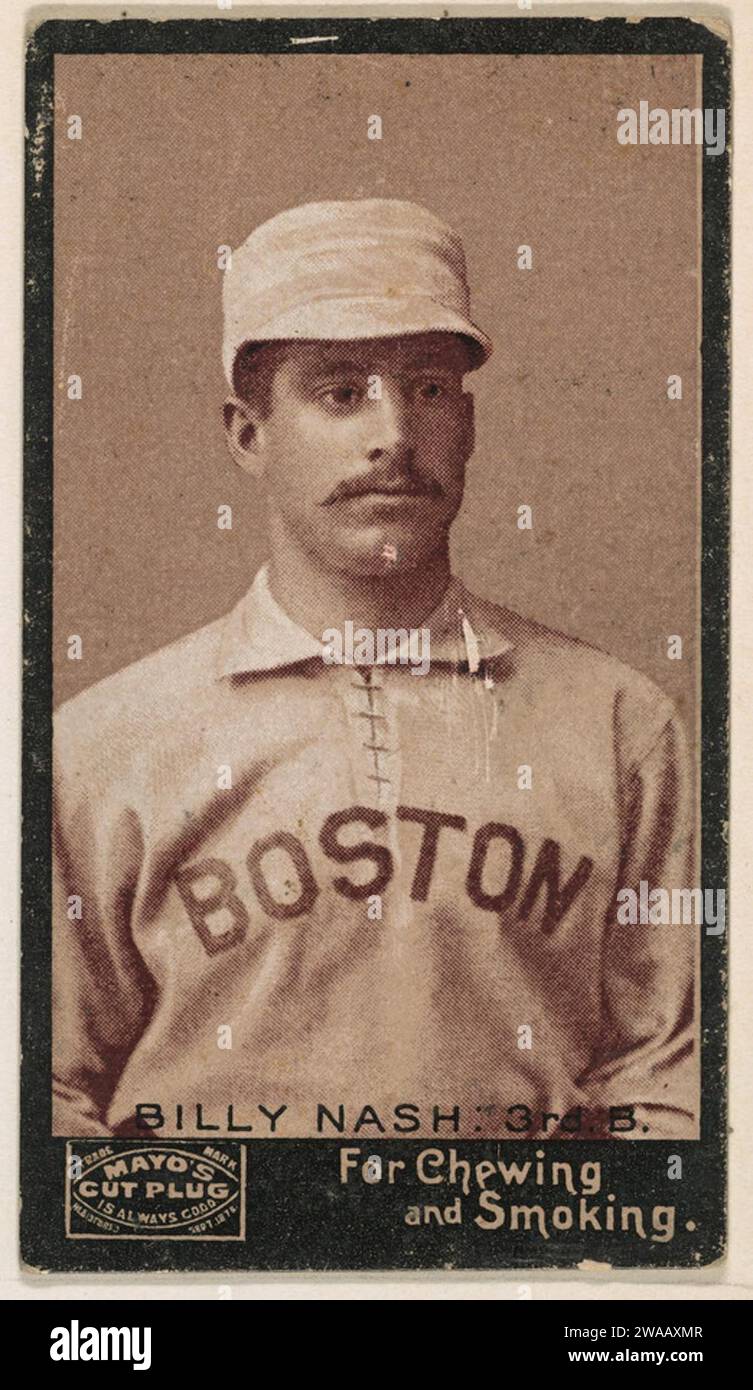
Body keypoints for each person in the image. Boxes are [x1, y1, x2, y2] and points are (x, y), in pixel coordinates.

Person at [52, 199, 696, 1140]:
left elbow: (671, 1080)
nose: (393, 432)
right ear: (247, 434)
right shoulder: (102, 745)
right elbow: (44, 1103)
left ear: (466, 425)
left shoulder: (618, 724)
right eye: (340, 391)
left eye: (427, 388)